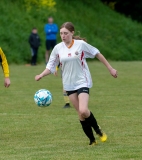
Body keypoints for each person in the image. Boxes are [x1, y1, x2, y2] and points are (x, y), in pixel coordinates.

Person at [35, 22, 118, 145]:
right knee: (80, 113)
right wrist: (41, 75)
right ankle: (92, 141)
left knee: (84, 110)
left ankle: (98, 130)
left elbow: (97, 53)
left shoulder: (81, 45)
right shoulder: (58, 48)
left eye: (66, 33)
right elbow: (51, 65)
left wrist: (110, 68)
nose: (63, 36)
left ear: (72, 33)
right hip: (69, 84)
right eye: (61, 33)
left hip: (82, 81)